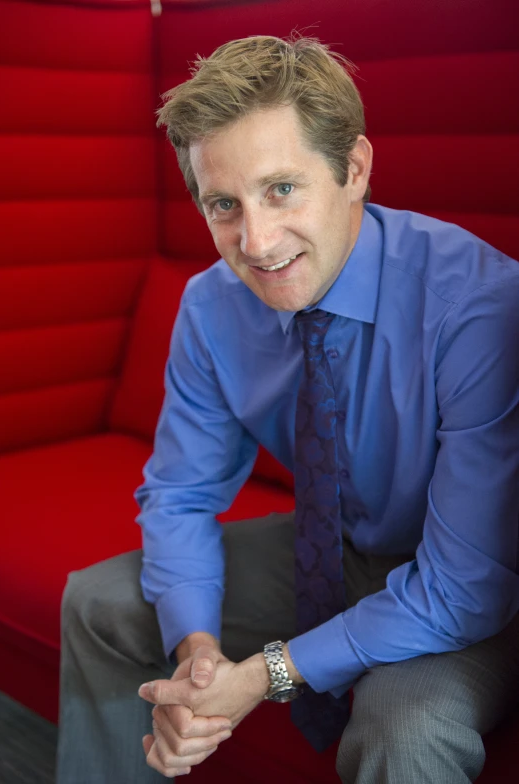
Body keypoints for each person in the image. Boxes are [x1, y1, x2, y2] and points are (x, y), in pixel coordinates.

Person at [55, 35, 519, 784]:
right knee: (100, 600)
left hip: (476, 580)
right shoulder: (211, 307)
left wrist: (266, 673)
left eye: (282, 190)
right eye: (224, 205)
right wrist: (199, 657)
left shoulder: (478, 307)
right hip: (336, 546)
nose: (257, 242)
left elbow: (463, 590)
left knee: (407, 728)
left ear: (355, 168)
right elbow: (179, 494)